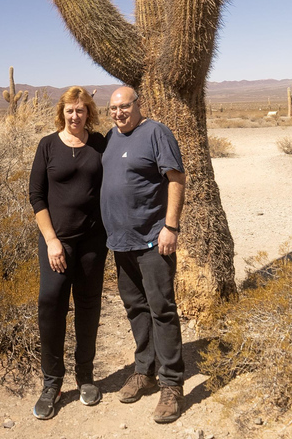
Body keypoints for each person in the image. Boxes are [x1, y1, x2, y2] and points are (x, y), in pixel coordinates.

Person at [100, 86, 187, 424]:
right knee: (136, 308)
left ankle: (171, 384)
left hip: (153, 239)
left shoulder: (155, 132)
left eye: (124, 106)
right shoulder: (110, 137)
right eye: (113, 108)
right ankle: (144, 370)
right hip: (121, 242)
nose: (119, 113)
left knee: (162, 309)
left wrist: (171, 227)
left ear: (138, 105)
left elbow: (176, 178)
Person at [28, 86, 108, 420]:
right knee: (51, 305)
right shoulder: (47, 145)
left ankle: (85, 375)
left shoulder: (100, 144)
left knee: (88, 306)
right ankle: (52, 382)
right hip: (56, 243)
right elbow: (36, 196)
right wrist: (51, 240)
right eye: (70, 110)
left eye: (81, 110)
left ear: (89, 112)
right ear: (62, 112)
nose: (75, 116)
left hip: (92, 242)